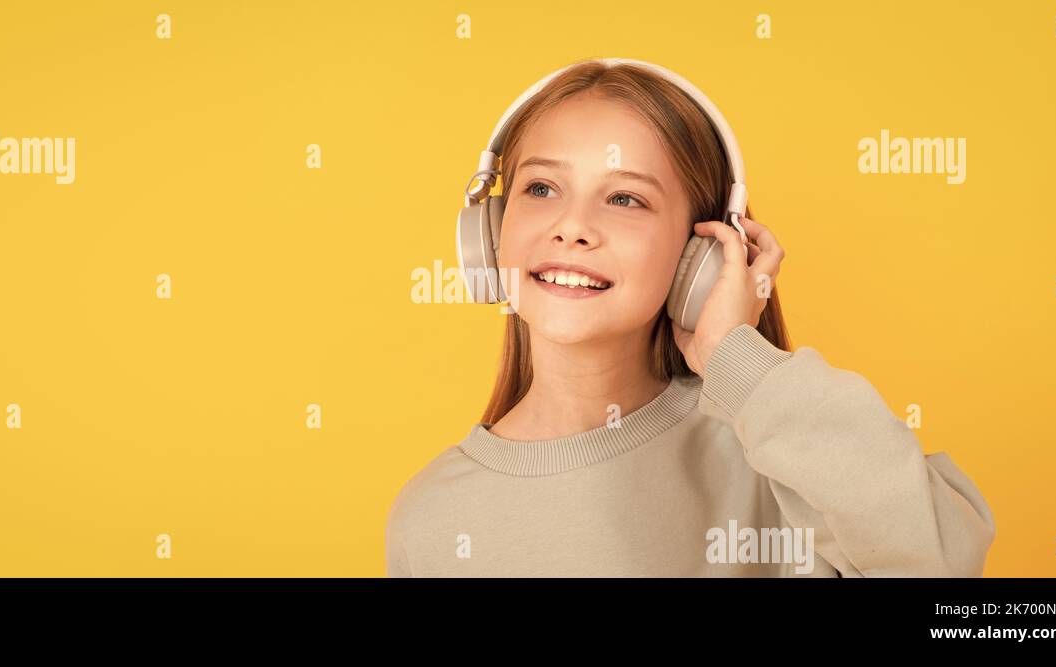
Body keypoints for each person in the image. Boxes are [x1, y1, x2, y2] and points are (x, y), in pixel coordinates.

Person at [386, 59, 995, 577]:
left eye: (625, 198)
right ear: (489, 232)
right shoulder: (431, 519)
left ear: (698, 256)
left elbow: (940, 565)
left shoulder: (777, 459)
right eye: (542, 188)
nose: (571, 227)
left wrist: (743, 364)